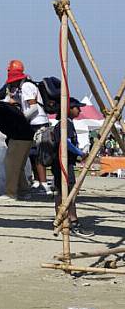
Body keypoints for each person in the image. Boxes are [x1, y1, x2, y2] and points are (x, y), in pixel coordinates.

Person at [5, 67, 52, 194]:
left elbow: (33, 108)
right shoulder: (24, 87)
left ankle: (43, 184)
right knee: (33, 154)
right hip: (35, 122)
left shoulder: (26, 86)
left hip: (37, 122)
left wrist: (21, 119)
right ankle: (38, 182)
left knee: (38, 155)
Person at [53, 98, 93, 237]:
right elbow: (67, 143)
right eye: (77, 108)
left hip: (62, 162)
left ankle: (62, 220)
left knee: (62, 192)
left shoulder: (65, 124)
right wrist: (80, 152)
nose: (79, 110)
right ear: (68, 109)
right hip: (62, 164)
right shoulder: (65, 124)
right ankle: (72, 222)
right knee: (69, 193)